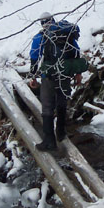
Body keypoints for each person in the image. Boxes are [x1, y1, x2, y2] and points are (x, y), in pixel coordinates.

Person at [29, 12, 82, 151]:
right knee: (62, 103)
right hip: (65, 74)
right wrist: (78, 74)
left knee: (47, 106)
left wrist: (33, 76)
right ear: (53, 20)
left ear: (42, 23)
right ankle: (61, 132)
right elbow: (76, 52)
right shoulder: (66, 34)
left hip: (49, 76)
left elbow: (35, 56)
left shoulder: (40, 37)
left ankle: (49, 141)